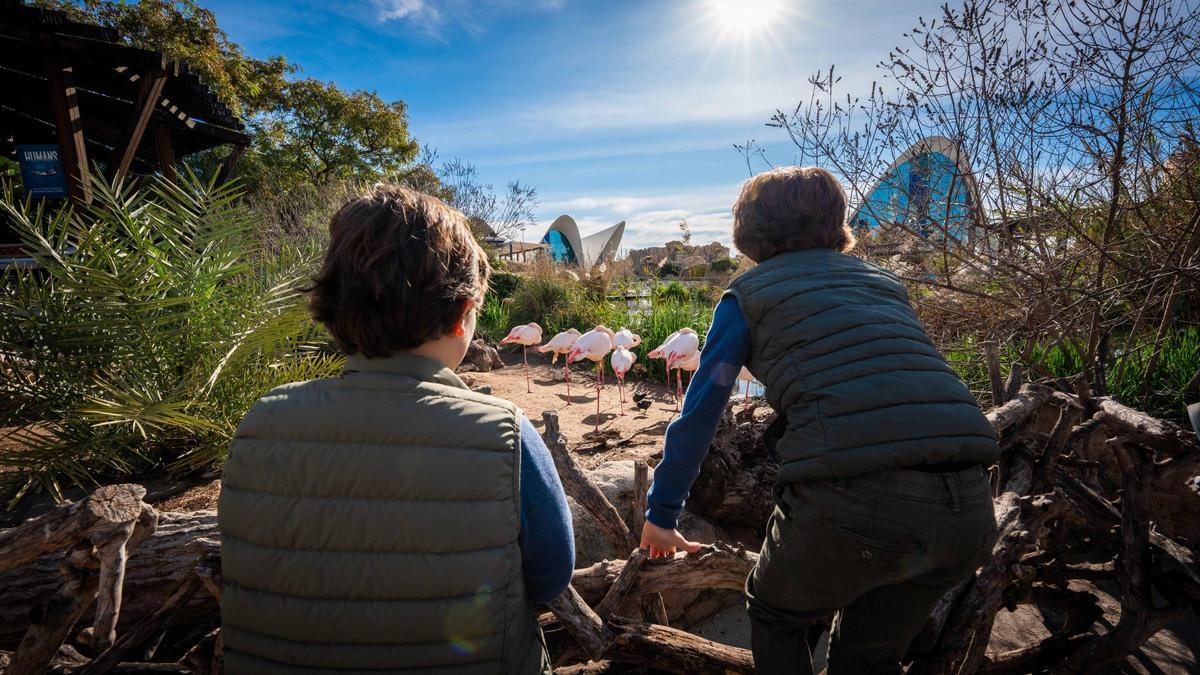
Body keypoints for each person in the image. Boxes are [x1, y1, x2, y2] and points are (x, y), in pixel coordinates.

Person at [639, 166, 999, 674]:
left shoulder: (748, 296)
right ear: (836, 223)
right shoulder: (884, 284)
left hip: (856, 503)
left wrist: (661, 513)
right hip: (970, 506)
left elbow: (701, 413)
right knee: (867, 658)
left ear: (749, 229)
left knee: (775, 613)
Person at [218, 185, 574, 674]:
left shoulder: (262, 420)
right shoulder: (506, 435)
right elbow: (552, 575)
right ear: (461, 314)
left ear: (335, 304)